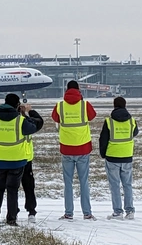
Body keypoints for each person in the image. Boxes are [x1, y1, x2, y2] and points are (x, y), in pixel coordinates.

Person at [0, 93, 41, 226]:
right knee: (12, 190)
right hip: (17, 160)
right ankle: (11, 218)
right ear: (17, 106)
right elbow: (36, 125)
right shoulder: (20, 121)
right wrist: (26, 113)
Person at [51, 80, 97, 221]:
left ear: (66, 90)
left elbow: (55, 118)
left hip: (66, 148)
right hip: (83, 147)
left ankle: (68, 213)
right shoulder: (85, 105)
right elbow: (92, 116)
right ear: (79, 90)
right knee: (84, 182)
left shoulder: (60, 106)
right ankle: (87, 213)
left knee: (68, 183)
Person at [99, 96, 139, 220]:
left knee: (115, 185)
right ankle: (130, 211)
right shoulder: (131, 120)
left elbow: (103, 139)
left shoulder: (109, 121)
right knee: (127, 184)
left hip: (112, 157)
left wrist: (103, 153)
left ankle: (117, 211)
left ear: (114, 105)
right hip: (127, 156)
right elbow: (135, 132)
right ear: (125, 105)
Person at [20, 105, 44, 223]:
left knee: (9, 188)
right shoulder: (26, 122)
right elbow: (39, 121)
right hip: (25, 158)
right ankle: (31, 211)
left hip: (6, 159)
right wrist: (29, 111)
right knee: (29, 187)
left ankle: (8, 212)